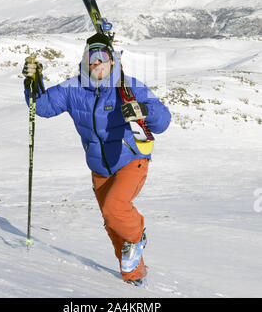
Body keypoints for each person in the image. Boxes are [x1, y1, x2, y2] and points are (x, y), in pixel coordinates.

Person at [22, 33, 171, 287]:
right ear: (85, 60)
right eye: (92, 57)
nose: (97, 63)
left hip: (130, 159)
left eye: (103, 57)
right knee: (112, 224)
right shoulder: (74, 89)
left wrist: (143, 110)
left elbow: (163, 122)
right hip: (99, 168)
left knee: (115, 209)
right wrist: (32, 83)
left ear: (112, 61)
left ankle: (137, 238)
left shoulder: (129, 87)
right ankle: (135, 277)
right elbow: (43, 107)